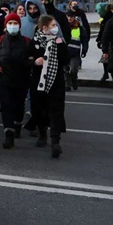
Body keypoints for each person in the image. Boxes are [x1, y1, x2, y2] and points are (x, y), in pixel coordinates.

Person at [0, 13, 30, 149]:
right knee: (6, 106)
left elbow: (33, 57)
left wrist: (29, 62)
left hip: (21, 79)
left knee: (18, 106)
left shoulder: (27, 42)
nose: (12, 26)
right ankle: (8, 134)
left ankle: (17, 124)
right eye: (10, 23)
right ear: (6, 25)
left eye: (15, 23)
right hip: (3, 79)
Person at [29, 15, 69, 158]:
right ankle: (42, 134)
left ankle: (55, 141)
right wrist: (34, 62)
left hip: (56, 82)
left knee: (56, 111)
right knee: (40, 109)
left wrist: (59, 45)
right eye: (52, 25)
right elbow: (26, 59)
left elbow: (65, 60)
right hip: (38, 82)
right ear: (44, 27)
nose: (55, 28)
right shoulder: (35, 42)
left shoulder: (59, 41)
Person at [64, 11, 89, 91]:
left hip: (75, 53)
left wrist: (84, 50)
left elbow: (84, 39)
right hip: (64, 53)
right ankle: (67, 84)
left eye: (71, 17)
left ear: (74, 17)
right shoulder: (62, 26)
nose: (69, 18)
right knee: (65, 70)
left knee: (74, 69)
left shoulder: (79, 27)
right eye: (68, 16)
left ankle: (74, 80)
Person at [96, 4, 113, 83]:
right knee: (107, 57)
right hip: (110, 41)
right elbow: (103, 30)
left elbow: (101, 30)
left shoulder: (106, 18)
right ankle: (107, 73)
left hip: (107, 41)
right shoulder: (111, 18)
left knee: (106, 57)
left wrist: (99, 40)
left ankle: (106, 73)